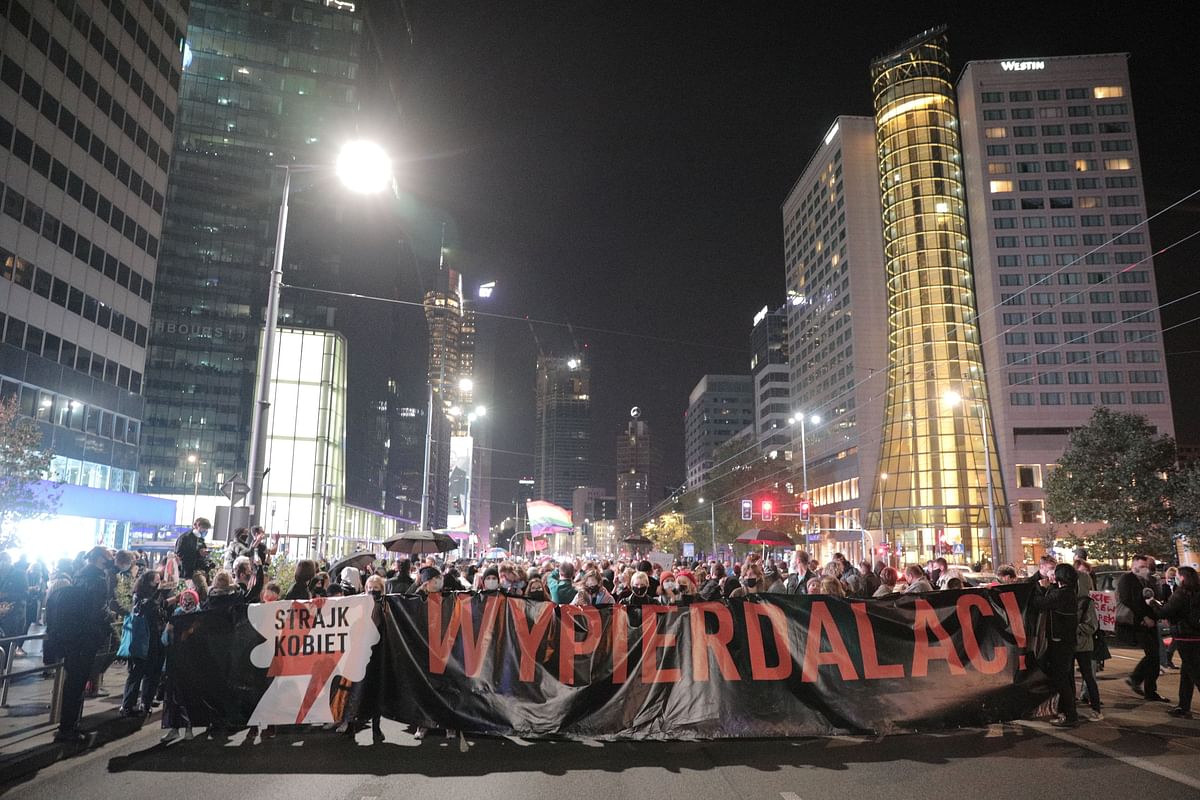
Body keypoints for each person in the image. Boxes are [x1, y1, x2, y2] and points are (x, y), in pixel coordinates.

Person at [46, 547, 114, 743]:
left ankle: (67, 725)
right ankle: (69, 728)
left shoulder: (79, 575)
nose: (111, 560)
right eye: (108, 557)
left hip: (71, 636)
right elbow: (96, 610)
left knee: (72, 683)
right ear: (100, 559)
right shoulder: (98, 579)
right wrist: (107, 618)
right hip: (85, 637)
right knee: (77, 683)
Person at [1033, 563, 1080, 727]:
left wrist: (1041, 588)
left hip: (1060, 643)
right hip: (1066, 643)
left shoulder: (1062, 595)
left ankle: (1070, 715)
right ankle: (1066, 712)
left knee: (1061, 680)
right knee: (1065, 678)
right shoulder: (1068, 593)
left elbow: (1039, 602)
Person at [1117, 554, 1167, 702]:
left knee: (1154, 657)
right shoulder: (1127, 579)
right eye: (1141, 567)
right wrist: (1143, 617)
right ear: (1133, 566)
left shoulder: (1149, 581)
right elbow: (1128, 600)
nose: (1144, 569)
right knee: (1152, 655)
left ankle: (1148, 688)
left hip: (1150, 622)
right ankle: (1137, 680)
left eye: (1146, 566)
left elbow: (1155, 598)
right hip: (1138, 623)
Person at [120, 570, 166, 717]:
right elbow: (147, 607)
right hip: (143, 638)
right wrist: (159, 592)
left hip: (156, 637)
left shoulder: (157, 595)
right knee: (138, 671)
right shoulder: (141, 596)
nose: (159, 582)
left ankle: (146, 702)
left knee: (153, 672)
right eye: (156, 580)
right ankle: (128, 705)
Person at [1159, 565, 1200, 718]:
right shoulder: (1197, 591)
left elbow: (1166, 611)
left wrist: (1152, 604)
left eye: (1177, 575)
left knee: (1195, 672)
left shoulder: (1181, 593)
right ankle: (1183, 706)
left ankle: (1183, 707)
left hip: (1185, 636)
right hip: (1196, 636)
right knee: (1187, 673)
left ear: (1182, 577)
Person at [160, 588, 199, 743]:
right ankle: (173, 728)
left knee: (188, 695)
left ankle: (189, 727)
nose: (186, 601)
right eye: (184, 597)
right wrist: (169, 632)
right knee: (172, 695)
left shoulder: (198, 615)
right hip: (174, 660)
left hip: (190, 661)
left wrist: (190, 632)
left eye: (190, 598)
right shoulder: (176, 614)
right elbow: (165, 639)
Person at [1074, 579, 1103, 720]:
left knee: (1088, 676)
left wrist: (1074, 628)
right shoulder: (1067, 598)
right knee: (1068, 677)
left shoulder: (1087, 602)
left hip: (1084, 645)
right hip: (1071, 644)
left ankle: (1096, 708)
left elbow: (1092, 626)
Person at [174, 517, 211, 583]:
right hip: (187, 573)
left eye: (206, 529)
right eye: (203, 528)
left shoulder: (201, 540)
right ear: (196, 526)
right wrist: (197, 553)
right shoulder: (185, 538)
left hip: (199, 572)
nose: (205, 531)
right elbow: (179, 554)